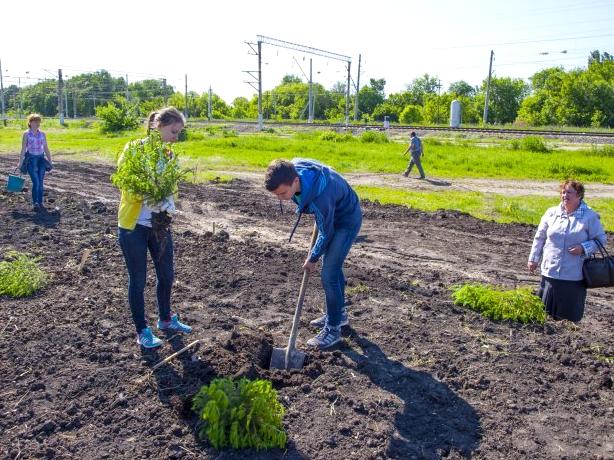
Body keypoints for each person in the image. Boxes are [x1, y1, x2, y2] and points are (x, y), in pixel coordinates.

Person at [264, 158, 362, 349]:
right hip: (330, 213)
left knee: (328, 274)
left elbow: (327, 233)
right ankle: (339, 315)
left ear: (295, 182)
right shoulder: (293, 168)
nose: (281, 198)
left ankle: (333, 329)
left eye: (283, 193)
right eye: (277, 195)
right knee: (332, 269)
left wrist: (313, 257)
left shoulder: (321, 199)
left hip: (346, 220)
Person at [117, 107, 192, 348]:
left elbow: (172, 186)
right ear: (157, 126)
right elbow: (125, 182)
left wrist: (167, 202)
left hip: (159, 225)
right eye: (173, 131)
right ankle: (142, 331)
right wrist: (147, 194)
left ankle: (166, 319)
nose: (175, 137)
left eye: (179, 132)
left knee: (167, 275)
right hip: (134, 227)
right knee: (138, 281)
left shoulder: (168, 154)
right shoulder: (134, 149)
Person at [528, 180, 607, 322]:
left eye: (569, 192)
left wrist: (583, 248)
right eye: (563, 192)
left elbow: (601, 240)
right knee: (545, 316)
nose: (565, 195)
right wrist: (533, 259)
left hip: (573, 276)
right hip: (550, 272)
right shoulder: (551, 213)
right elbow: (540, 237)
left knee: (568, 320)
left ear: (579, 196)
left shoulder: (589, 216)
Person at [18, 113, 53, 211]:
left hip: (41, 160)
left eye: (39, 121)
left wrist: (50, 161)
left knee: (41, 182)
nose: (38, 123)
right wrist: (20, 162)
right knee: (36, 182)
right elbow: (23, 149)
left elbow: (46, 148)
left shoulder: (42, 134)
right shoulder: (26, 134)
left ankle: (40, 203)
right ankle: (35, 203)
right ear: (30, 122)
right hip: (31, 160)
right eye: (35, 121)